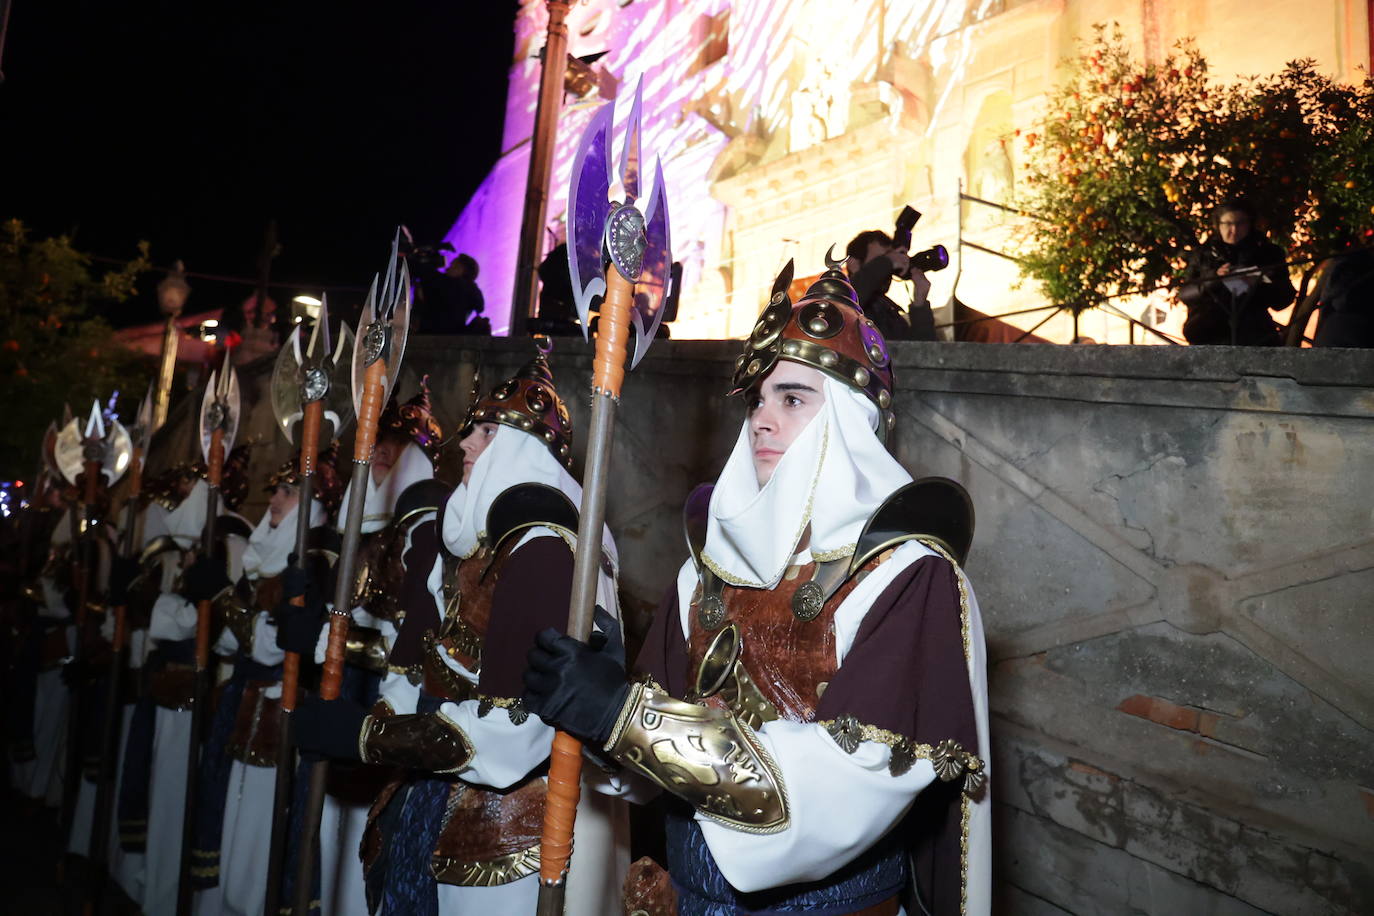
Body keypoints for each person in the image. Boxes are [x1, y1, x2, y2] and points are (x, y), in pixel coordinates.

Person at [525, 258, 992, 915]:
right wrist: (606, 714)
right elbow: (644, 770)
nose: (762, 420)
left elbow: (843, 785)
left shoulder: (907, 575)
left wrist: (629, 717)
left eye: (794, 397)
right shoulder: (706, 568)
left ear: (853, 420)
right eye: (757, 398)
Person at [291, 349, 628, 915]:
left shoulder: (545, 550)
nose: (465, 445)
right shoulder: (479, 543)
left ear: (528, 449)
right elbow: (423, 658)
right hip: (440, 792)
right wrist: (383, 715)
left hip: (510, 836)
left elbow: (511, 737)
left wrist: (368, 737)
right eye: (471, 430)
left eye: (488, 432)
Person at [278, 382, 442, 916]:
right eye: (370, 459)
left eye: (387, 459)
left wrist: (332, 640)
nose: (373, 470)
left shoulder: (422, 535)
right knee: (318, 828)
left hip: (380, 706)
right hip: (340, 690)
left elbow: (412, 639)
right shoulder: (352, 537)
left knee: (362, 841)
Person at [187, 453, 341, 916]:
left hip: (281, 714)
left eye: (287, 491)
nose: (273, 499)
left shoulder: (314, 557)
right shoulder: (261, 556)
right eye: (275, 490)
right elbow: (235, 639)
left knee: (260, 834)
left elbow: (270, 647)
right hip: (243, 707)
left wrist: (223, 601)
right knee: (229, 823)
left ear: (312, 502)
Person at [117, 452, 252, 916]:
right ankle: (155, 894)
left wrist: (200, 602)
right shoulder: (199, 545)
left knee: (185, 806)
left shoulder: (232, 541)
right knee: (164, 800)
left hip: (205, 698)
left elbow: (229, 631)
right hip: (174, 694)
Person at [1178, 199, 1295, 346]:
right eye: (1227, 224)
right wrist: (1215, 279)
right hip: (1209, 334)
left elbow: (1284, 298)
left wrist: (1258, 284)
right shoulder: (1203, 254)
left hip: (1255, 335)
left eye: (1240, 224)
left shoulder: (1268, 253)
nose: (1233, 230)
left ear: (1250, 224)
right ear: (1218, 225)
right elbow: (1185, 294)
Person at [845, 230, 936, 341]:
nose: (889, 269)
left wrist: (920, 304)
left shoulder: (889, 312)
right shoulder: (842, 298)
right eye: (879, 260)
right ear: (853, 264)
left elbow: (924, 354)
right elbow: (849, 299)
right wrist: (888, 260)